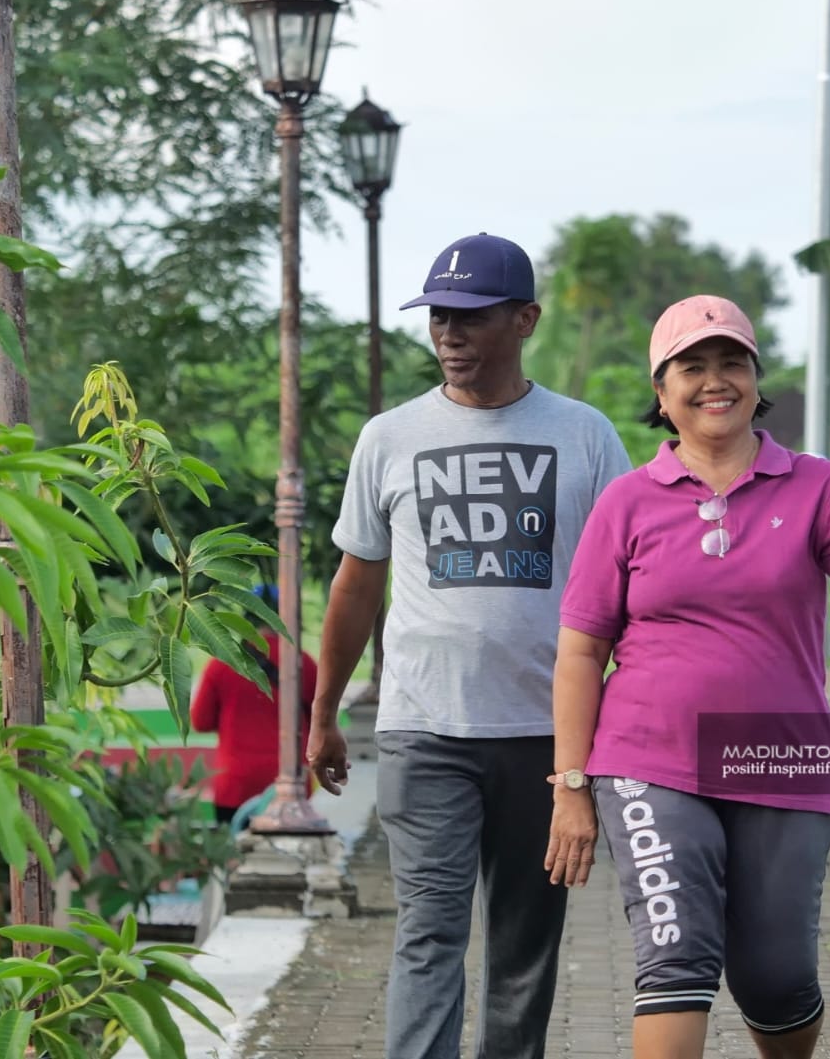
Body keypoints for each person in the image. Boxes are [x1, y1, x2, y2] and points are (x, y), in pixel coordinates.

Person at [543, 295, 830, 1059]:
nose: (713, 380)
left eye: (732, 362)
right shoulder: (626, 501)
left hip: (778, 758)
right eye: (691, 367)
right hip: (648, 757)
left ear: (756, 380)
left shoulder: (815, 485)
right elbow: (581, 650)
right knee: (675, 958)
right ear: (661, 391)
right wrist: (570, 784)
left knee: (775, 978)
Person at [307, 232, 632, 1059]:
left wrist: (614, 737)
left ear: (524, 319)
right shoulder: (389, 437)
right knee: (429, 932)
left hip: (545, 737)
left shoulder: (586, 436)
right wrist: (323, 711)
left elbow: (630, 587)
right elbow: (355, 584)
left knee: (524, 946)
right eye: (437, 317)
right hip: (424, 730)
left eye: (470, 317)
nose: (448, 334)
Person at [190, 584, 316, 826]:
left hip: (236, 785)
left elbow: (200, 722)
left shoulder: (223, 663)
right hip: (289, 784)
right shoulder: (304, 664)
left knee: (234, 848)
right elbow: (319, 719)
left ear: (245, 619)